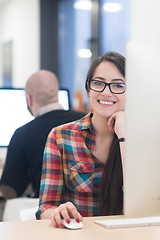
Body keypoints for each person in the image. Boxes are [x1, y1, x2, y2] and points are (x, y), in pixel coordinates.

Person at [36, 51, 126, 228]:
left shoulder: (146, 139)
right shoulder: (61, 137)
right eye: (98, 83)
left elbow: (146, 205)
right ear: (88, 89)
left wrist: (124, 136)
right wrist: (57, 212)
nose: (106, 92)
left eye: (118, 85)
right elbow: (45, 207)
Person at [0, 70, 85, 199]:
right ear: (56, 93)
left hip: (47, 211)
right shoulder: (86, 122)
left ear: (29, 98)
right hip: (88, 209)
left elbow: (10, 190)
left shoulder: (22, 134)